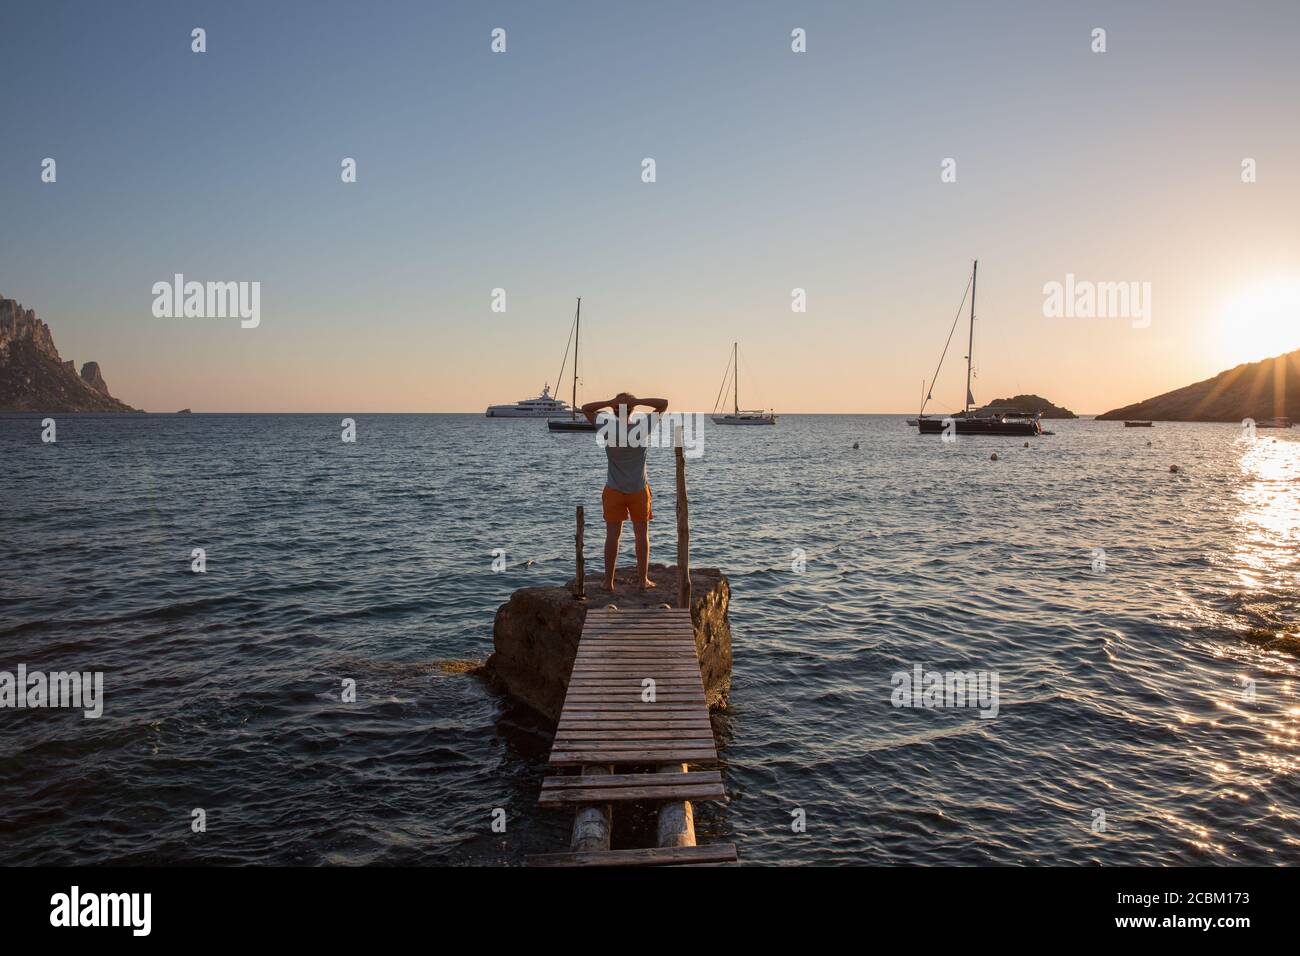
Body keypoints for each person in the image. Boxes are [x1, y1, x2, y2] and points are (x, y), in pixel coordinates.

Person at [580, 392, 669, 591]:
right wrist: (636, 401)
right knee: (641, 535)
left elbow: (586, 408)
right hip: (638, 489)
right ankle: (643, 581)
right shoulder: (641, 427)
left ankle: (608, 582)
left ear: (613, 410)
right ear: (632, 410)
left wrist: (610, 402)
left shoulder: (607, 427)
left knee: (612, 536)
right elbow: (663, 403)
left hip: (614, 490)